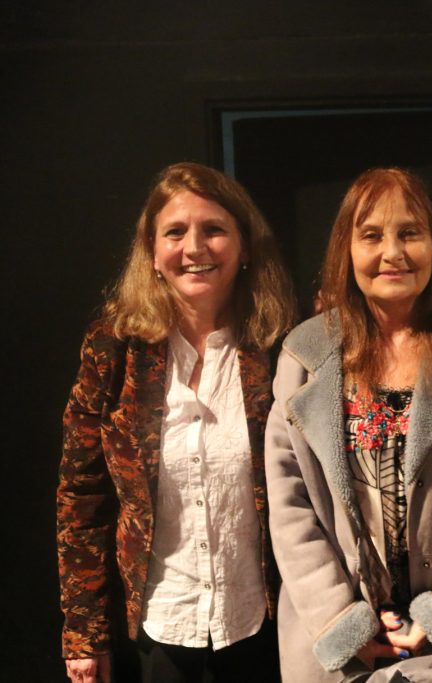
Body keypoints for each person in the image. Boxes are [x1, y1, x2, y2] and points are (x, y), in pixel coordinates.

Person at [265, 168, 432, 682]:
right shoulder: (304, 353)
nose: (392, 252)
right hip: (332, 645)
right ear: (346, 249)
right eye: (372, 235)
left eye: (410, 233)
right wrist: (344, 622)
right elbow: (289, 504)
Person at [57, 162, 298, 683]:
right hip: (157, 630)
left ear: (245, 246)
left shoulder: (282, 348)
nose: (195, 248)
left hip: (269, 627)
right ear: (152, 252)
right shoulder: (114, 347)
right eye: (175, 232)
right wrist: (84, 631)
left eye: (214, 229)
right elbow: (82, 496)